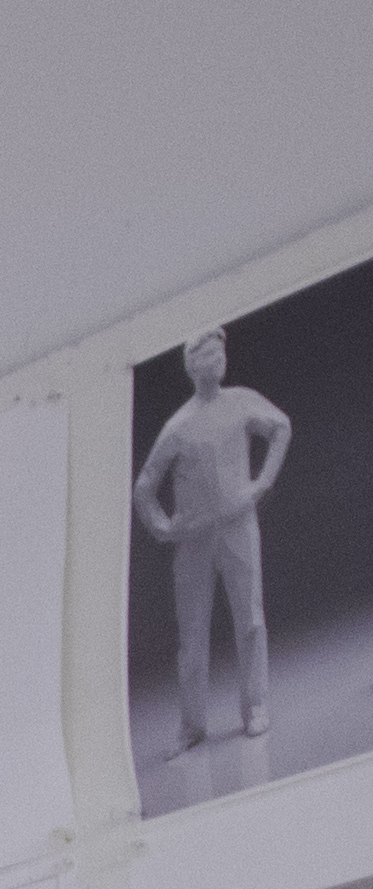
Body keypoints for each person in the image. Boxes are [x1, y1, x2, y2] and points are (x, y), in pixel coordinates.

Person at [143, 326, 294, 769]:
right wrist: (164, 527)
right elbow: (145, 486)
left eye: (220, 355)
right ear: (192, 368)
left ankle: (256, 706)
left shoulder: (241, 401)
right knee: (192, 633)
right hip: (194, 539)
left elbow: (281, 427)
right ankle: (192, 725)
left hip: (238, 525)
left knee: (250, 618)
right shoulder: (178, 426)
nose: (218, 363)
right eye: (208, 358)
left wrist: (262, 483)